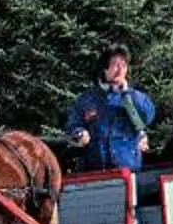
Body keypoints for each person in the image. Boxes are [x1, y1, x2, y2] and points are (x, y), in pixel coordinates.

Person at [63, 45, 156, 173]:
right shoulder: (87, 99)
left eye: (123, 66)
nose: (120, 70)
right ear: (105, 68)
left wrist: (126, 95)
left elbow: (147, 118)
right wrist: (79, 133)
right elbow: (72, 126)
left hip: (128, 169)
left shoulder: (136, 97)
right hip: (94, 170)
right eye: (115, 65)